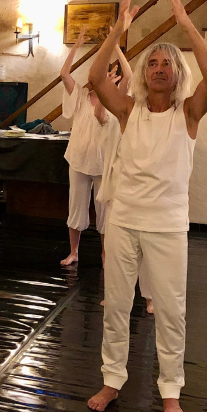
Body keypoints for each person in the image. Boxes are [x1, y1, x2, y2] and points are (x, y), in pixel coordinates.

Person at [87, 0, 206, 412]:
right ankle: (112, 378)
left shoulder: (189, 113)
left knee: (171, 308)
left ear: (178, 72)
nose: (158, 68)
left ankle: (171, 389)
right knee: (117, 303)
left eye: (166, 63)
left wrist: (187, 25)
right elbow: (97, 78)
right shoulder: (128, 110)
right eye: (152, 62)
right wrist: (117, 30)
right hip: (125, 219)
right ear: (143, 71)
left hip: (168, 225)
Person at [58, 28, 130, 267]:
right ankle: (74, 251)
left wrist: (116, 44)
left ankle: (105, 253)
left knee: (104, 211)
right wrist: (77, 44)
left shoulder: (113, 102)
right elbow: (64, 73)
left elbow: (102, 116)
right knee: (75, 207)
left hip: (102, 163)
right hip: (78, 159)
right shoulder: (80, 95)